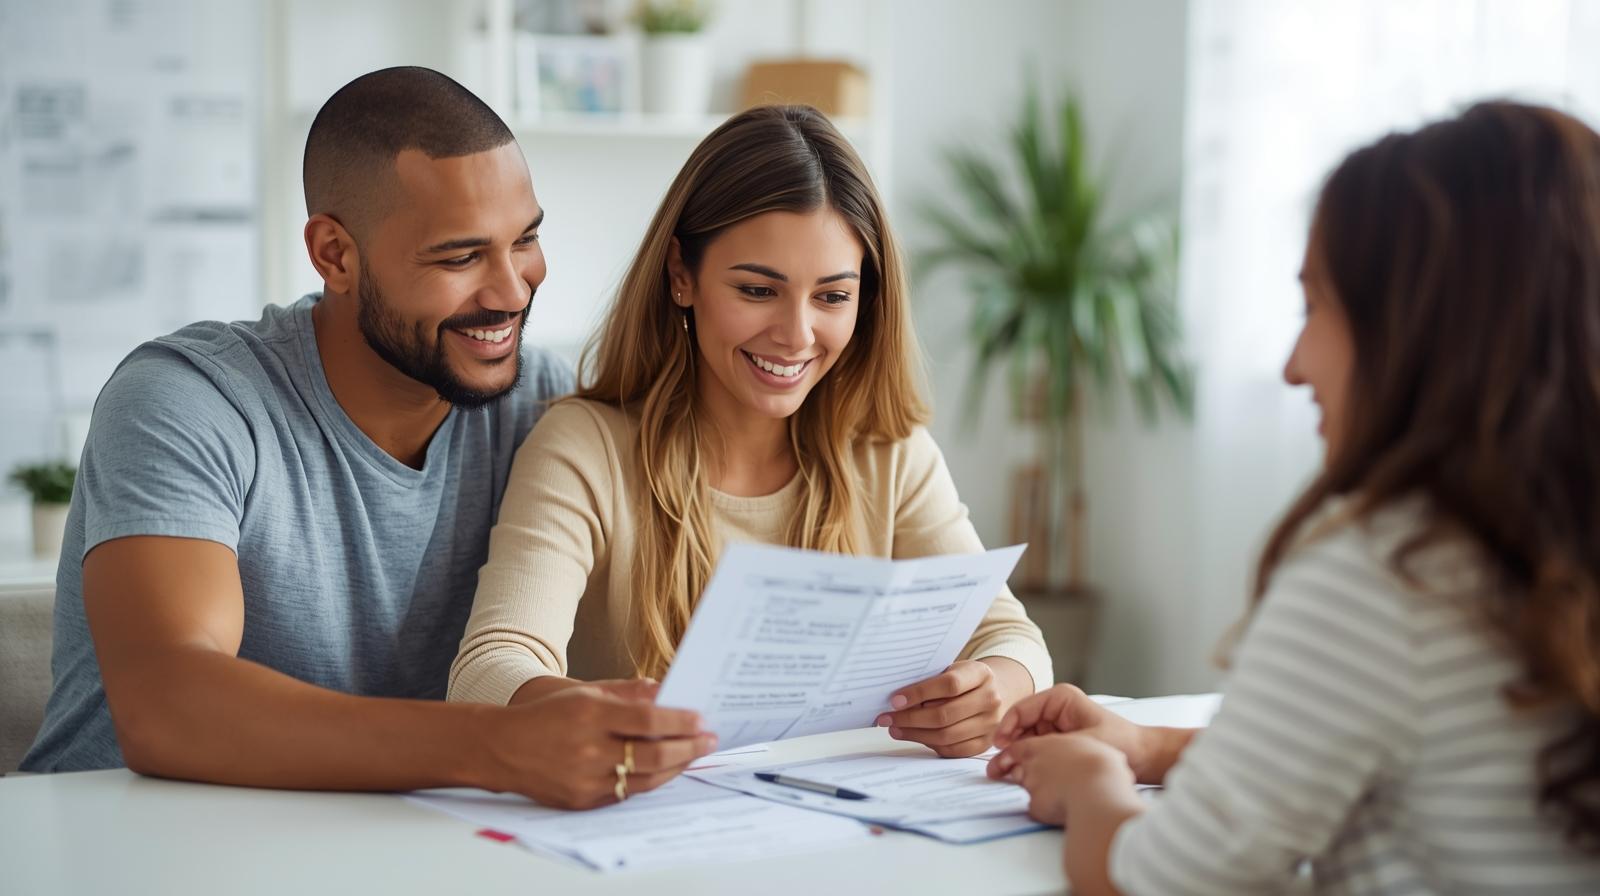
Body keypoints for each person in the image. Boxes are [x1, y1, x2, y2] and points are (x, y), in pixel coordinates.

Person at [21, 67, 715, 808]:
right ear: (335, 255)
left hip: (383, 852)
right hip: (115, 846)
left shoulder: (546, 409)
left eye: (527, 239)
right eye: (460, 256)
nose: (512, 290)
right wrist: (497, 744)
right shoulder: (188, 401)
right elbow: (168, 705)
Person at [988, 101, 1600, 893]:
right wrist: (1142, 747)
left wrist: (1089, 789)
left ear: (1414, 330)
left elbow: (1147, 881)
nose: (1292, 365)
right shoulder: (1557, 544)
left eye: (1315, 307)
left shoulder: (1386, 575)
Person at [448, 105, 1054, 766]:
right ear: (682, 275)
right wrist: (598, 716)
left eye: (831, 297)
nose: (796, 335)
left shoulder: (889, 455)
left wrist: (995, 686)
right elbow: (488, 669)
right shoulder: (586, 448)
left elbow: (1011, 637)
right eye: (759, 290)